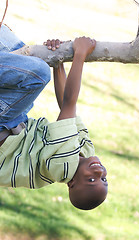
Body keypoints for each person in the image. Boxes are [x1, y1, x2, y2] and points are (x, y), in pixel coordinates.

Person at [0, 25, 108, 210]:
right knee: (24, 59)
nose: (99, 171)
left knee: (38, 74)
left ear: (71, 184)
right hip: (14, 120)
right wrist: (58, 60)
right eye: (103, 179)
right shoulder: (86, 151)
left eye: (92, 179)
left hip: (5, 125)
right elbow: (66, 106)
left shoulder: (63, 167)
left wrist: (80, 55)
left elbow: (69, 103)